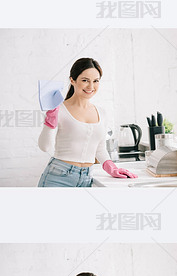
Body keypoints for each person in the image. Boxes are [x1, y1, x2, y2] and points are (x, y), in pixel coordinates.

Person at [37, 58, 137, 187]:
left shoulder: (101, 112)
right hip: (58, 177)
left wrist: (111, 167)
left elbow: (100, 148)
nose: (91, 86)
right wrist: (50, 121)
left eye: (95, 81)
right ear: (72, 80)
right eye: (85, 80)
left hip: (86, 178)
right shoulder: (59, 109)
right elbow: (45, 147)